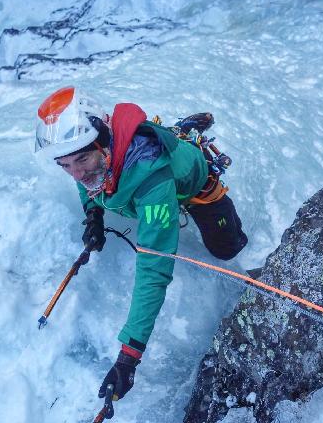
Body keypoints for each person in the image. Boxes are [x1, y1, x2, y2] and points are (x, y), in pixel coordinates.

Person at [35, 86, 247, 401]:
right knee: (96, 175)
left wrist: (128, 356)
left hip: (193, 184)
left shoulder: (152, 185)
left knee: (227, 249)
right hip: (147, 178)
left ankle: (186, 142)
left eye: (82, 159)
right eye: (65, 165)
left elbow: (154, 270)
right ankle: (177, 132)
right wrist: (94, 216)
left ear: (105, 143)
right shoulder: (94, 162)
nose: (76, 173)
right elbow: (88, 184)